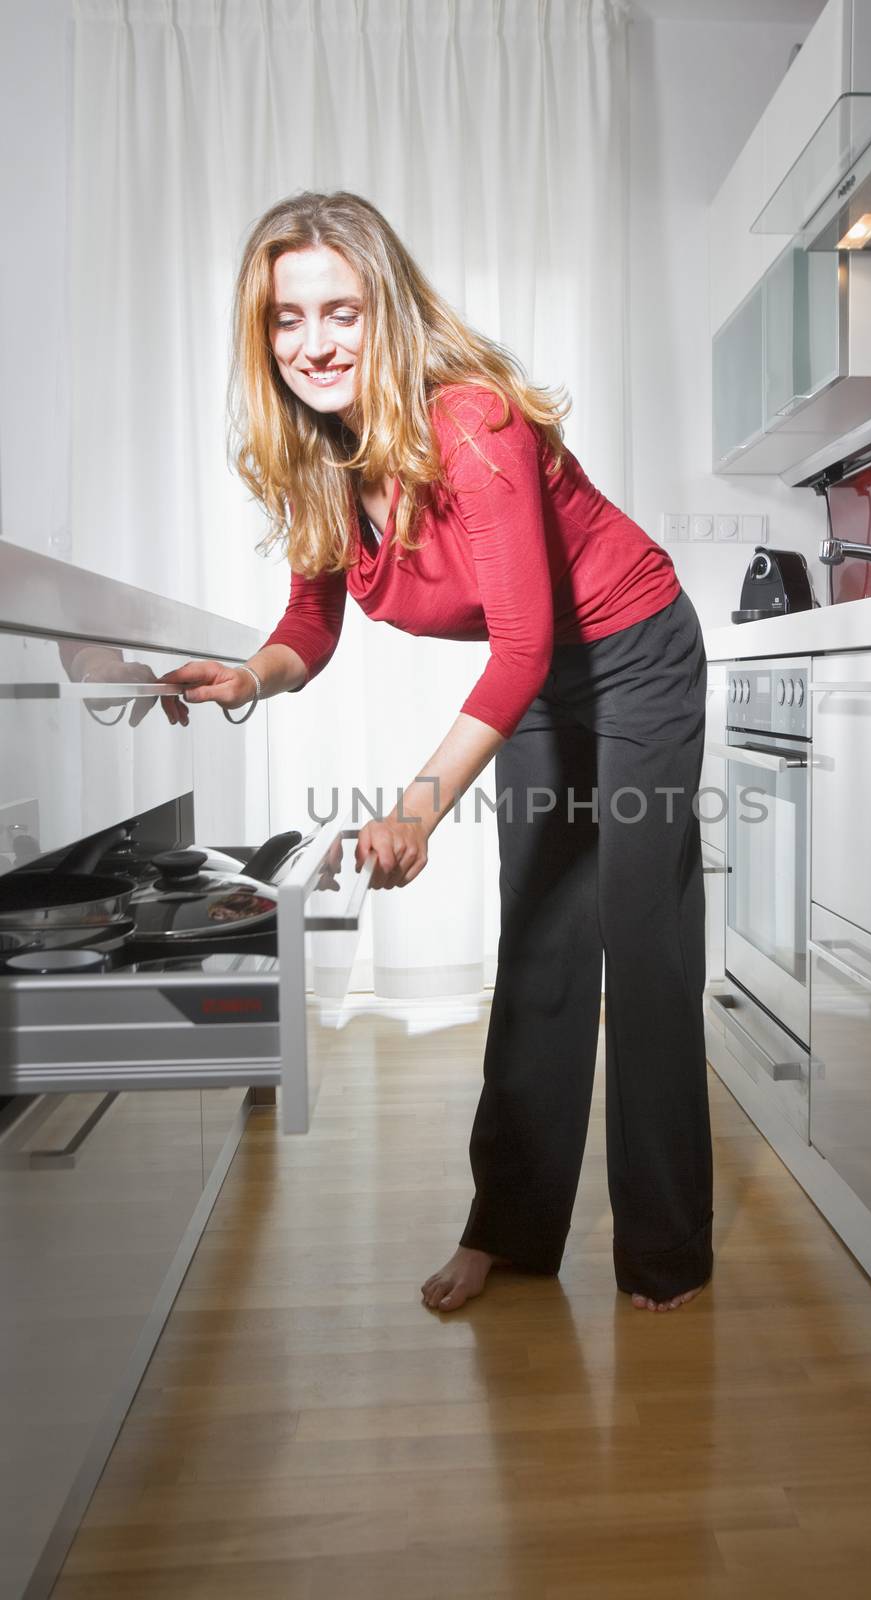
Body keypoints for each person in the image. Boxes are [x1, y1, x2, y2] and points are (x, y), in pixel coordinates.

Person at [162, 192, 712, 1313]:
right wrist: (247, 677)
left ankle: (665, 1254)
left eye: (341, 311)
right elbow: (309, 624)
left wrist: (413, 807)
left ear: (389, 312)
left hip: (635, 648)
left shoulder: (471, 425)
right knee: (543, 941)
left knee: (639, 939)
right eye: (285, 319)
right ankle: (508, 1230)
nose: (312, 343)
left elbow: (516, 647)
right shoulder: (319, 452)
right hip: (544, 674)